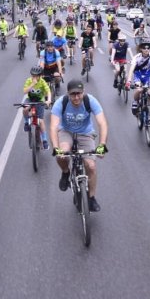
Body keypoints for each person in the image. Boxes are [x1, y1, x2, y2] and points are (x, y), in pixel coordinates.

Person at [50, 79, 109, 212]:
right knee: (62, 154)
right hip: (66, 131)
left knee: (92, 166)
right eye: (73, 94)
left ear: (83, 92)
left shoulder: (90, 100)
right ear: (68, 94)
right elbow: (53, 126)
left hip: (85, 133)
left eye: (79, 94)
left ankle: (91, 198)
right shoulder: (61, 103)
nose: (76, 97)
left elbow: (102, 123)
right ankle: (65, 172)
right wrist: (55, 147)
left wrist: (102, 144)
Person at [22, 66, 52, 149]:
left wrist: (48, 100)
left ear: (40, 76)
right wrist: (32, 84)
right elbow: (24, 91)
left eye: (36, 76)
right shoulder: (29, 80)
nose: (34, 77)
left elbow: (48, 91)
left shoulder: (42, 82)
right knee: (25, 109)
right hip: (30, 99)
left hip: (39, 100)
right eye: (33, 75)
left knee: (41, 121)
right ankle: (26, 123)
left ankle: (44, 140)